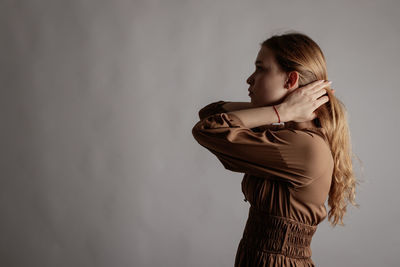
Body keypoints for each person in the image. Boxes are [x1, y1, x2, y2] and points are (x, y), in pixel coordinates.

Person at [191, 32, 360, 267]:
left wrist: (282, 112)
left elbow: (207, 129)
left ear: (291, 80)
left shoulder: (304, 146)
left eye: (261, 68)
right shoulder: (286, 133)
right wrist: (283, 111)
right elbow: (211, 113)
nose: (249, 79)